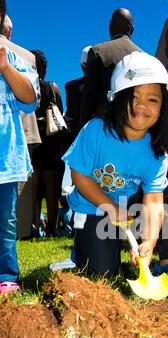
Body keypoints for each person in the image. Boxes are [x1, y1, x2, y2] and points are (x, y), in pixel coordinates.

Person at [63, 51, 168, 285]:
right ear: (118, 98)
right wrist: (111, 208)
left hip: (129, 207)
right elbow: (79, 176)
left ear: (163, 106)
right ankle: (82, 247)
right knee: (104, 275)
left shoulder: (156, 149)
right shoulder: (96, 130)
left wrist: (149, 243)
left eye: (152, 99)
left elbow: (154, 200)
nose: (142, 105)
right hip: (93, 206)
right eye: (133, 97)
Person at [0, 0, 38, 294]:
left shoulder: (16, 58)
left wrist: (4, 66)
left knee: (5, 219)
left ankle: (7, 275)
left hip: (6, 157)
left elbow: (28, 97)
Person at [80, 8, 142, 127]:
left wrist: (84, 129)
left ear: (110, 26)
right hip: (136, 127)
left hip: (105, 127)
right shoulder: (144, 57)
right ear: (132, 30)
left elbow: (89, 97)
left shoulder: (98, 51)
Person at [31, 50, 65, 238]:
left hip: (32, 140)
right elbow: (60, 113)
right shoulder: (52, 87)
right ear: (44, 69)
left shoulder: (25, 87)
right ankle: (51, 228)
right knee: (52, 189)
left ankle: (34, 227)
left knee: (34, 188)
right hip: (51, 141)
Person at [64, 46, 91, 145]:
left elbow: (70, 113)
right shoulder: (106, 86)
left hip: (75, 137)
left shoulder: (71, 86)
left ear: (82, 65)